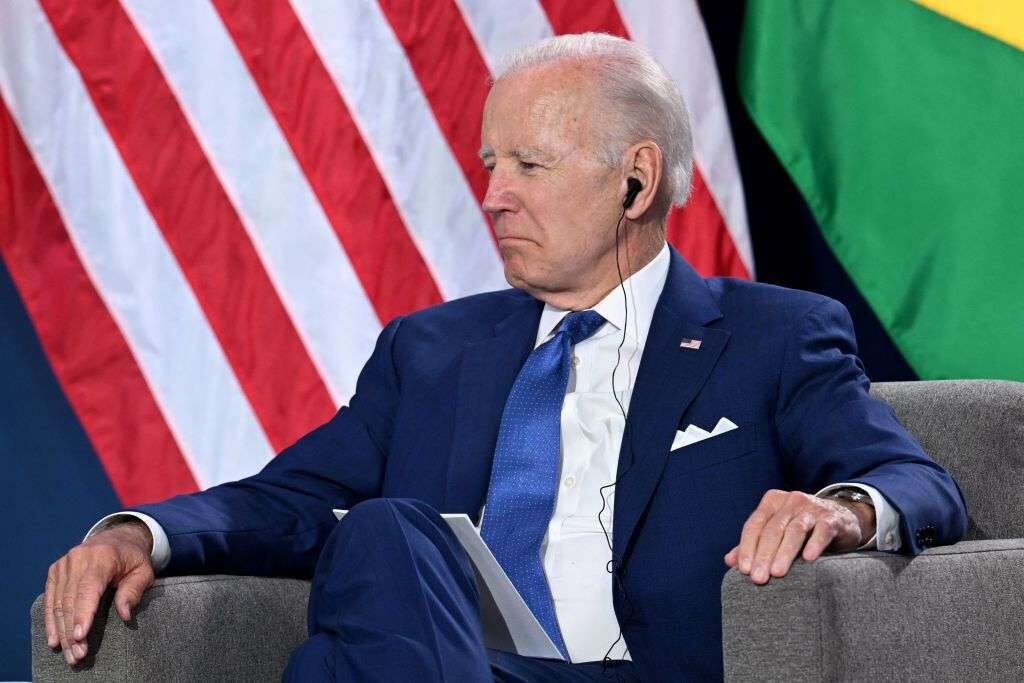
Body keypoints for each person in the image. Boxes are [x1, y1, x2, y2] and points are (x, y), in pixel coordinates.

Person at [43, 33, 966, 681]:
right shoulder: (432, 349)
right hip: (466, 661)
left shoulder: (773, 333)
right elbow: (287, 497)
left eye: (528, 165)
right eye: (490, 165)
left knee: (330, 662)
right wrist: (137, 533)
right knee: (384, 531)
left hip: (634, 673)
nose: (492, 196)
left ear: (636, 179)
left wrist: (841, 508)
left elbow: (912, 478)